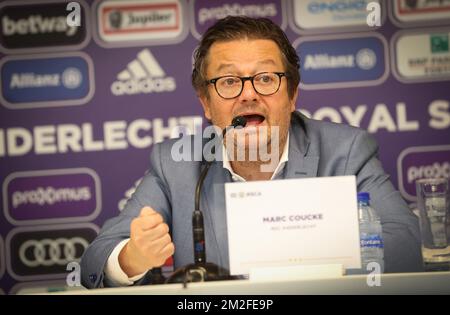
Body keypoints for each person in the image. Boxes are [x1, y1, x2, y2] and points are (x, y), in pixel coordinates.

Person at [80, 16, 423, 289]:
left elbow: (406, 246)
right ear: (206, 103)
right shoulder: (177, 165)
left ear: (292, 96)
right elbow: (95, 262)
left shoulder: (345, 152)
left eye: (265, 78)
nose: (248, 95)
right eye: (229, 81)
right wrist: (131, 258)